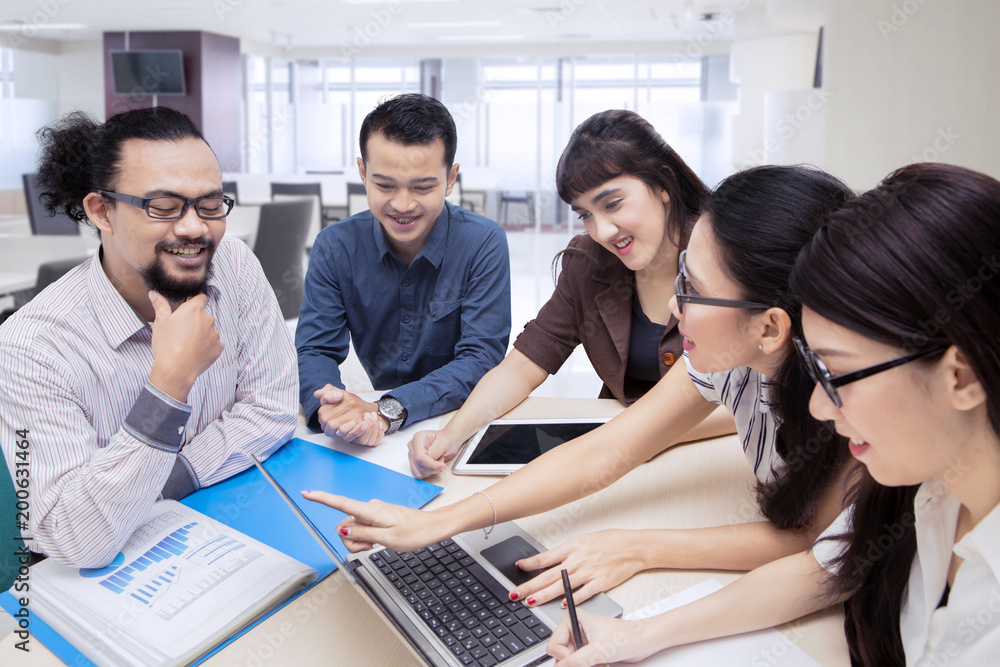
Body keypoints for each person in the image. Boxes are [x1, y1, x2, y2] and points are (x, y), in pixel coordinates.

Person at [305, 164, 854, 603]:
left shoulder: (853, 413)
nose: (672, 306)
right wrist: (446, 520)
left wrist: (639, 549)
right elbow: (609, 449)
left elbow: (818, 543)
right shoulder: (727, 360)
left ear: (770, 327)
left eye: (692, 288)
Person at [545, 163, 1000, 666]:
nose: (818, 405)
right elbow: (821, 568)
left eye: (839, 374)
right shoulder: (932, 493)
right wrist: (638, 636)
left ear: (961, 376)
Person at [0, 107, 298, 568]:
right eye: (163, 207)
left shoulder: (234, 264)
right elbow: (75, 538)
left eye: (210, 204)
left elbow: (273, 409)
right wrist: (169, 383)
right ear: (102, 211)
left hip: (224, 524)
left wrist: (160, 482)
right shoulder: (30, 348)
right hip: (105, 581)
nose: (195, 227)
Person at [407, 109, 736, 478]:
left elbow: (751, 395)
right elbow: (524, 364)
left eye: (612, 204)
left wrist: (641, 436)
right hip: (618, 459)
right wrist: (449, 436)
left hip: (710, 456)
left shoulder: (727, 259)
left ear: (663, 183)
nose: (603, 231)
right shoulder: (588, 264)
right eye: (586, 214)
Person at [296, 93, 511, 448]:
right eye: (385, 185)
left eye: (423, 187)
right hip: (371, 424)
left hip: (457, 420)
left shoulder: (482, 242)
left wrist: (388, 409)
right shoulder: (335, 246)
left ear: (451, 179)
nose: (403, 205)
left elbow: (481, 358)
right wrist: (330, 409)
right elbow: (316, 349)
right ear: (363, 173)